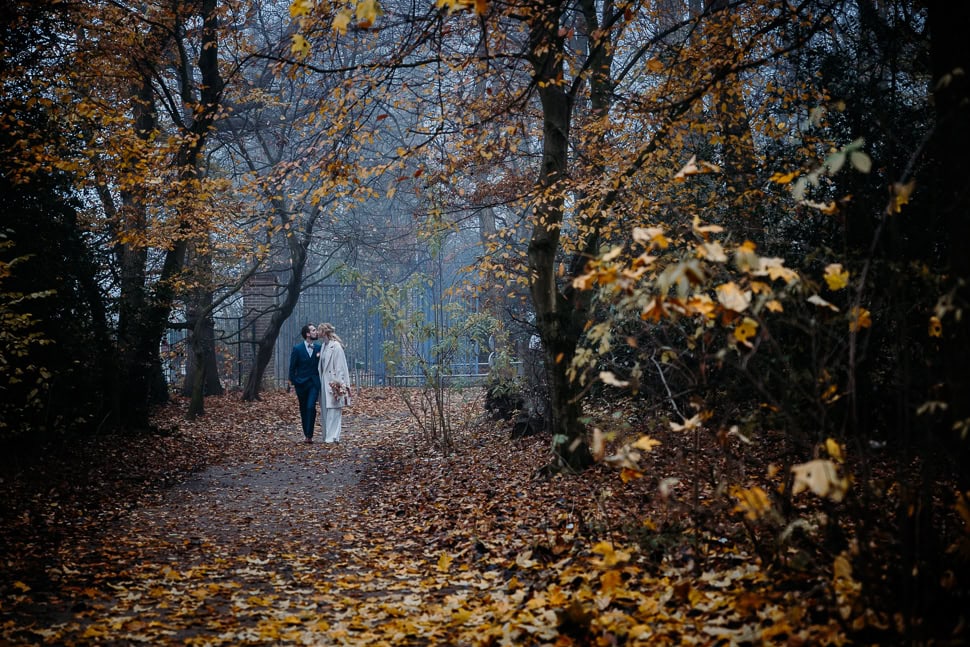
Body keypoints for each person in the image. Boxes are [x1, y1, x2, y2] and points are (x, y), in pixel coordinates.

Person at [317, 322, 351, 444]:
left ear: (324, 332)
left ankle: (333, 436)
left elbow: (340, 366)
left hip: (333, 381)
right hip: (324, 382)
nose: (317, 332)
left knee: (334, 409)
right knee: (326, 409)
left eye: (319, 330)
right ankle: (327, 435)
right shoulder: (323, 346)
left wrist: (340, 384)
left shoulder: (336, 346)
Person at [288, 324, 321, 443]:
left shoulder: (319, 348)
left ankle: (309, 436)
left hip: (313, 383)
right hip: (301, 384)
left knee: (311, 407)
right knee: (303, 408)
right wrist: (294, 382)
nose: (316, 332)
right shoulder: (297, 349)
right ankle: (306, 433)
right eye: (313, 330)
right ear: (307, 334)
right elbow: (292, 368)